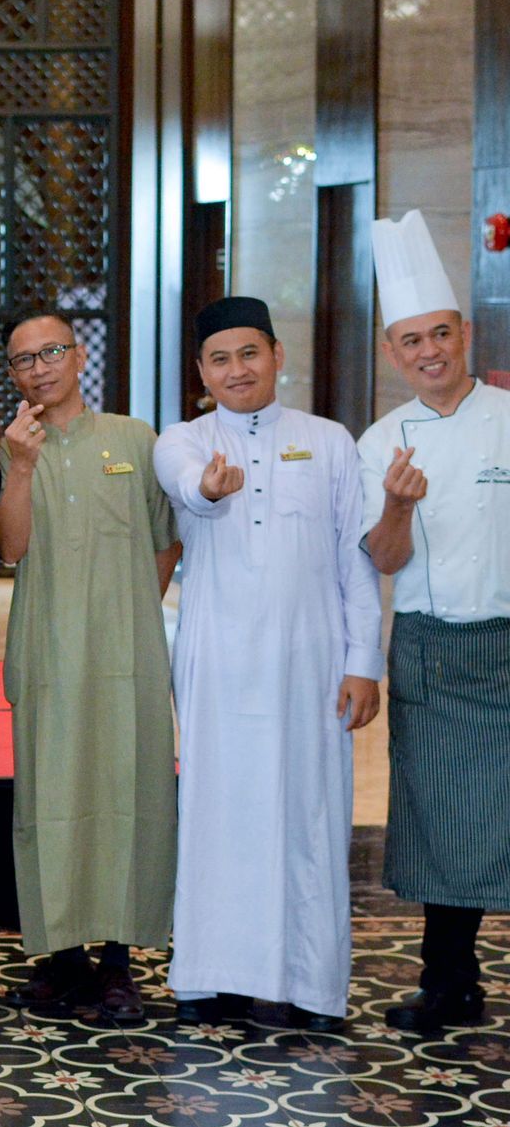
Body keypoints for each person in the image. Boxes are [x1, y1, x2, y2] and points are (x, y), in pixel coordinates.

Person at [154, 295, 381, 1032]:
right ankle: (208, 977)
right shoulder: (181, 439)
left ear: (277, 356)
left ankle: (309, 984)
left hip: (311, 665)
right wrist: (210, 488)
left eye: (249, 352)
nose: (236, 369)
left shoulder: (329, 441)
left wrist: (363, 660)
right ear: (200, 371)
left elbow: (358, 562)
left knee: (308, 816)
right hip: (218, 662)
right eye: (219, 358)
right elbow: (190, 484)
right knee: (217, 815)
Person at [0, 308, 179, 1021]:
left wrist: (127, 610)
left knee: (130, 795)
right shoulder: (8, 447)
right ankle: (62, 960)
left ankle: (120, 963)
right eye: (23, 360)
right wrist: (25, 464)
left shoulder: (135, 438)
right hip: (47, 650)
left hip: (125, 654)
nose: (39, 368)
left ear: (79, 355)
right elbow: (9, 547)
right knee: (50, 800)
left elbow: (166, 540)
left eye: (51, 352)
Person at [359, 210, 510, 1034]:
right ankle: (450, 981)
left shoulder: (509, 420)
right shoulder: (379, 442)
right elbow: (382, 559)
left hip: (506, 644)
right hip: (431, 651)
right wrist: (396, 505)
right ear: (392, 352)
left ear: (465, 332)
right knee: (445, 822)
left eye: (440, 334)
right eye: (411, 340)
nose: (429, 352)